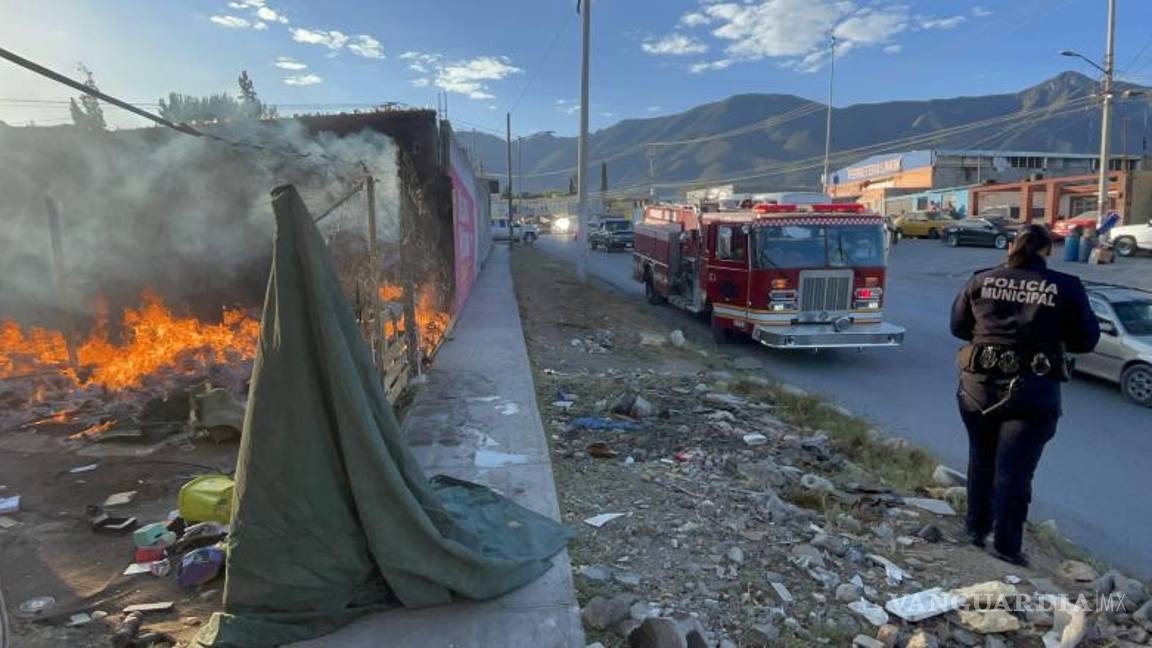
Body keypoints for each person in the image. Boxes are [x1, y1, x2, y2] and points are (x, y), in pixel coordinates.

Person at [949, 225, 1099, 567]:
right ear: (1047, 250)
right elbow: (1085, 341)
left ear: (1011, 248)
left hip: (977, 388)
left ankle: (976, 529)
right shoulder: (1066, 286)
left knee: (981, 459)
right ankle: (1006, 546)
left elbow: (958, 327)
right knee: (1015, 472)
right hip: (1032, 390)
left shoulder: (981, 280)